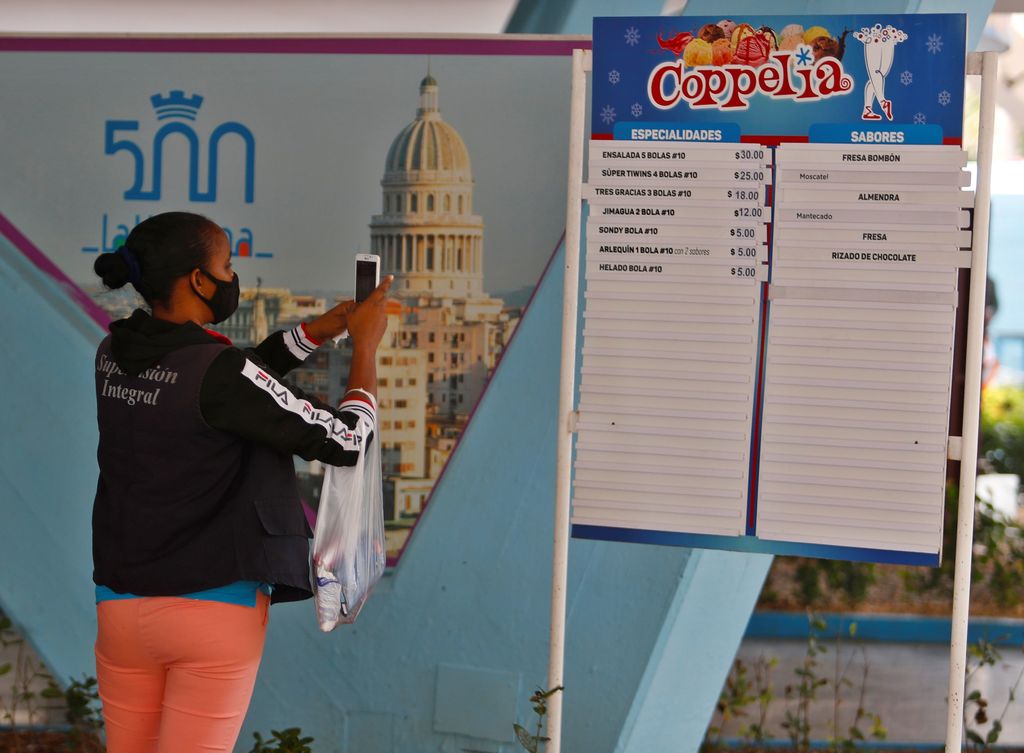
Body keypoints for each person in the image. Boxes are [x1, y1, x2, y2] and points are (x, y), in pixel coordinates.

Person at [90, 211, 391, 753]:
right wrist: (364, 348)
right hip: (210, 610)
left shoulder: (112, 355)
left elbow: (226, 381)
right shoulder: (220, 374)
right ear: (199, 280)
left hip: (120, 607)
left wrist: (313, 333)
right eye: (226, 266)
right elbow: (347, 440)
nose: (232, 277)